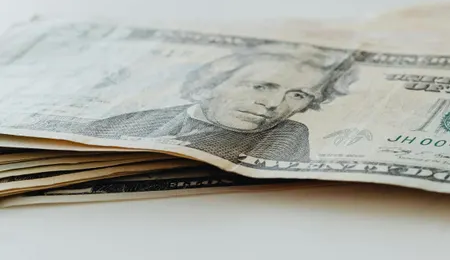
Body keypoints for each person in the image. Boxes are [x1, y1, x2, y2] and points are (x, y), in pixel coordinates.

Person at [78, 49, 357, 163]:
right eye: (260, 86)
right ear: (212, 83)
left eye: (298, 95)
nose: (272, 104)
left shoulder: (289, 135)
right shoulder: (111, 128)